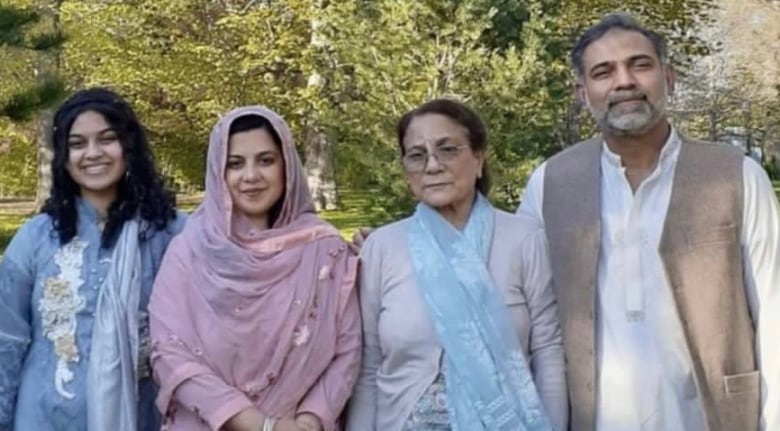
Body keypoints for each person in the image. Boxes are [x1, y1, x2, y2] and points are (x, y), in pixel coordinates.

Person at [517, 13, 780, 431]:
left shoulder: (737, 175)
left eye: (639, 65)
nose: (624, 82)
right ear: (583, 94)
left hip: (714, 418)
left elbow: (773, 310)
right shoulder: (550, 183)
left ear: (669, 78)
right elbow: (525, 308)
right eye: (603, 72)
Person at [346, 98, 568, 431]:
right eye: (417, 155)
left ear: (479, 160)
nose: (432, 165)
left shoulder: (524, 240)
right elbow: (368, 365)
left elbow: (548, 352)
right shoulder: (382, 248)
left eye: (447, 149)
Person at [149, 106, 361, 431]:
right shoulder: (190, 250)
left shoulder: (324, 249)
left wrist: (309, 421)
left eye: (266, 160)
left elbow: (346, 350)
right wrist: (259, 425)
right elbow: (169, 352)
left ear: (287, 166)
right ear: (218, 172)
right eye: (235, 164)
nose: (251, 176)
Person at [0, 87, 185, 431]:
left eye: (106, 139)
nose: (93, 153)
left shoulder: (171, 233)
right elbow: (5, 340)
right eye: (77, 143)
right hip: (43, 418)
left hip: (144, 417)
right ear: (63, 158)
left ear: (128, 147)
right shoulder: (37, 237)